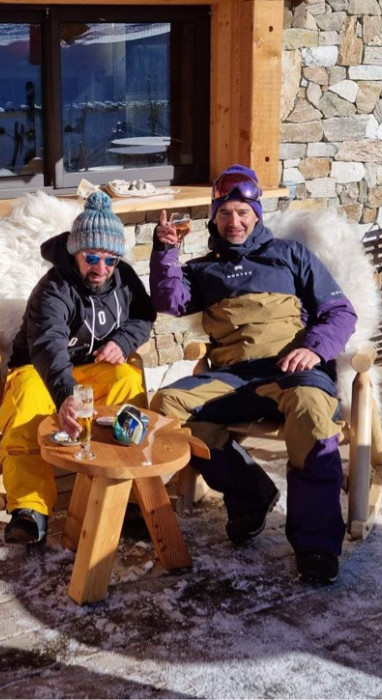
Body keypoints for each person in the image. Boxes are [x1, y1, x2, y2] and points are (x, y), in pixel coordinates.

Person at [148, 165, 357, 584]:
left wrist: (310, 349)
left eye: (242, 212)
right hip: (234, 377)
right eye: (224, 213)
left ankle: (316, 546)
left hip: (291, 371)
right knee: (167, 407)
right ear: (213, 218)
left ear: (257, 214)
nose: (234, 221)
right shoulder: (205, 269)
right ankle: (250, 494)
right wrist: (165, 253)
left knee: (314, 412)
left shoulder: (290, 254)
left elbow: (339, 312)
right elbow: (169, 301)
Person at [0, 190, 156, 545]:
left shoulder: (124, 278)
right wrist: (66, 394)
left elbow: (145, 316)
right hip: (41, 370)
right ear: (76, 252)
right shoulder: (53, 289)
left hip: (93, 369)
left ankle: (127, 494)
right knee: (22, 406)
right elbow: (48, 345)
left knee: (127, 382)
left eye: (110, 260)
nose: (101, 269)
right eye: (93, 258)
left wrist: (124, 342)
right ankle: (29, 509)